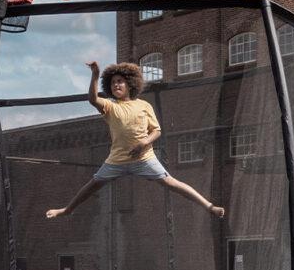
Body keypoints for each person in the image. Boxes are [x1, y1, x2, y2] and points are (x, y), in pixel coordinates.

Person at [44, 60, 224, 220]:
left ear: (130, 84)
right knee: (92, 185)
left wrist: (144, 143)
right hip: (117, 160)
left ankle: (209, 206)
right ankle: (67, 210)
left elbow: (157, 131)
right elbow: (92, 99)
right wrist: (95, 75)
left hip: (144, 158)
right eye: (113, 82)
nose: (116, 85)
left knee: (171, 182)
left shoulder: (144, 106)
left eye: (120, 81)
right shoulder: (110, 106)